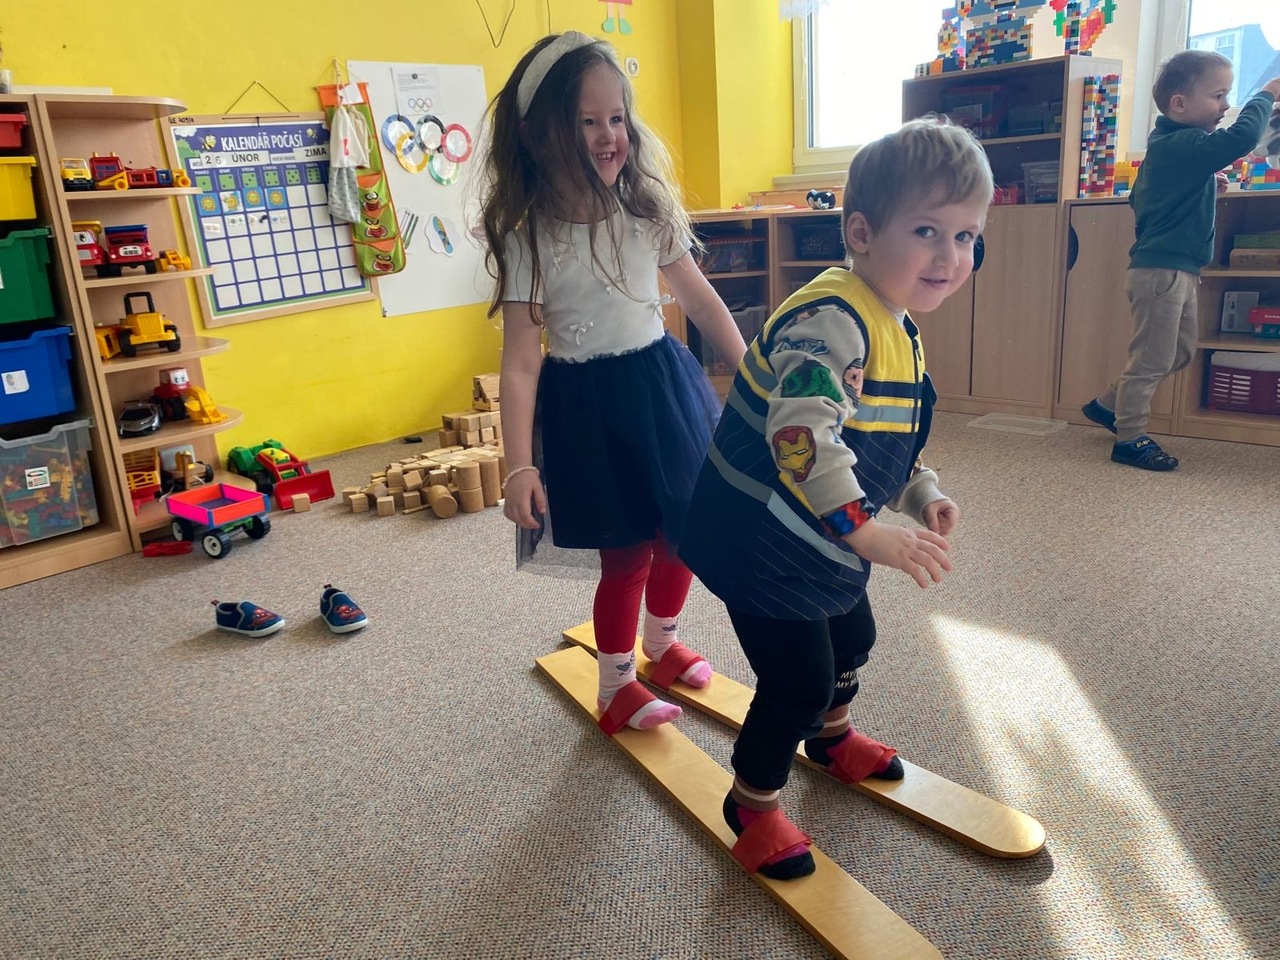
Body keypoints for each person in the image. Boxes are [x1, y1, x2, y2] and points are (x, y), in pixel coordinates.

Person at [679, 118, 992, 880]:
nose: (950, 257)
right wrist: (868, 533)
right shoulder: (832, 324)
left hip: (818, 529)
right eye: (927, 231)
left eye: (966, 236)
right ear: (861, 232)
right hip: (758, 538)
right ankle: (751, 804)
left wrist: (918, 491)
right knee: (797, 680)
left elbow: (880, 430)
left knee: (852, 637)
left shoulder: (895, 322)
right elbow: (802, 438)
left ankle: (830, 738)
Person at [478, 32, 747, 733]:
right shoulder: (529, 238)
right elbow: (520, 360)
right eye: (587, 121)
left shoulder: (646, 208)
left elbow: (700, 300)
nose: (608, 136)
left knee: (685, 531)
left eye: (617, 118)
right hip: (589, 408)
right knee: (625, 552)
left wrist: (750, 372)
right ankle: (615, 684)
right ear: (538, 135)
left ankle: (661, 642)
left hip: (662, 387)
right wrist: (518, 466)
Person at [1084, 52, 1280, 471]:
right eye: (1218, 95)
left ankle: (1108, 405)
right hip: (1162, 272)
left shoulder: (1172, 149)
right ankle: (1129, 437)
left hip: (1180, 271)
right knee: (1152, 358)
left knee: (1179, 353)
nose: (1226, 105)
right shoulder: (1181, 143)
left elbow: (1143, 197)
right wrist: (1265, 95)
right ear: (1179, 103)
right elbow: (1240, 139)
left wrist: (1201, 187)